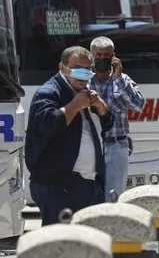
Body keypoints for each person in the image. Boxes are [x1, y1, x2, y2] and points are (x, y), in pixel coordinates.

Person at [25, 46, 112, 226]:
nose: (83, 75)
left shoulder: (84, 92)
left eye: (88, 70)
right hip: (59, 185)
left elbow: (104, 126)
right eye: (77, 68)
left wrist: (102, 108)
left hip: (89, 183)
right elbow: (48, 125)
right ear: (62, 68)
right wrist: (75, 105)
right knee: (60, 244)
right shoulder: (49, 92)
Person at [89, 36, 145, 201]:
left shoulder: (123, 80)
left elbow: (138, 106)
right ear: (91, 56)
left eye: (106, 55)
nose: (102, 59)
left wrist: (118, 78)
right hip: (90, 147)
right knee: (90, 198)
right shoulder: (84, 81)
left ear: (113, 56)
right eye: (98, 55)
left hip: (116, 146)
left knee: (114, 197)